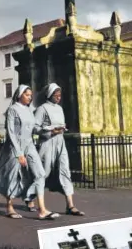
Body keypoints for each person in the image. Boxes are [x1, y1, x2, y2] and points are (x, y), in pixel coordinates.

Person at [0, 84, 59, 220]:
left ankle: (42, 210)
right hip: (15, 146)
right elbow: (10, 132)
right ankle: (9, 207)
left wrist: (50, 131)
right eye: (27, 95)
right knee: (13, 176)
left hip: (29, 145)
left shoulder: (30, 110)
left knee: (40, 173)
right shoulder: (12, 109)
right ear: (19, 95)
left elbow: (34, 129)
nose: (30, 97)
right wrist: (18, 153)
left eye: (30, 95)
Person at [25, 83, 85, 216]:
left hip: (60, 142)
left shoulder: (60, 109)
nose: (58, 98)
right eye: (56, 95)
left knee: (65, 171)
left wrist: (61, 129)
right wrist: (50, 131)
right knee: (43, 173)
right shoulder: (42, 109)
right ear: (49, 95)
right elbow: (35, 127)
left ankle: (70, 205)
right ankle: (29, 197)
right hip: (47, 142)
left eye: (59, 95)